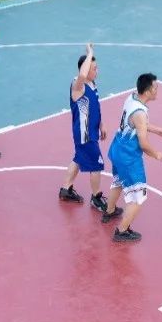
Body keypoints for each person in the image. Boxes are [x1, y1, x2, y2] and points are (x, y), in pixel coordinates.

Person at [101, 73, 162, 243]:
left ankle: (109, 211)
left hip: (117, 149)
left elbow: (137, 124)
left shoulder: (131, 97)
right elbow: (143, 144)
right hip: (129, 158)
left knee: (118, 181)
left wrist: (157, 130)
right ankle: (122, 231)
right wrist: (157, 154)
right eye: (155, 88)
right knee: (139, 197)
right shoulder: (140, 113)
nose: (157, 90)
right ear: (147, 92)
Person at [59, 43, 109, 211]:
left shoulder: (92, 84)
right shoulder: (78, 86)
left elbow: (95, 106)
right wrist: (90, 52)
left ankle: (65, 189)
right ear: (85, 69)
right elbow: (82, 74)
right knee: (97, 164)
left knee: (79, 159)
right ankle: (96, 198)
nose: (97, 71)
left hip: (91, 131)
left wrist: (101, 124)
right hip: (84, 134)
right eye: (94, 68)